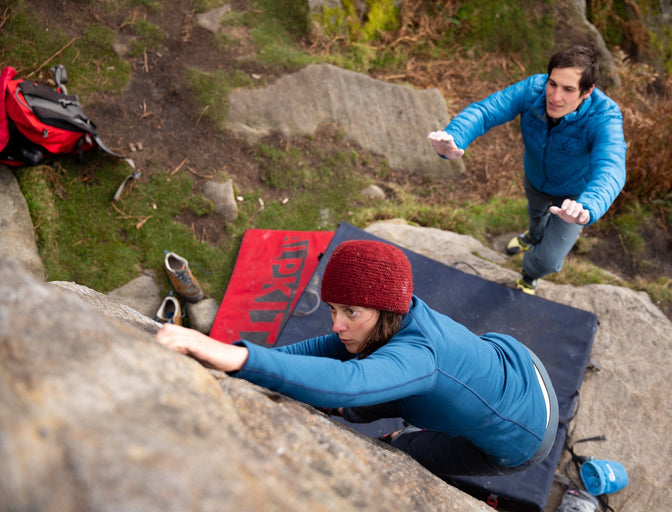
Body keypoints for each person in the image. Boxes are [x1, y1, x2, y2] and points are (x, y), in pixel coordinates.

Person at [156, 239, 558, 478]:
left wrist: (237, 358)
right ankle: (364, 412)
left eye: (351, 312)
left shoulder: (417, 356)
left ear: (384, 309)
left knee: (404, 447)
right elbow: (316, 351)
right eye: (333, 309)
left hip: (524, 435)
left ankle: (397, 436)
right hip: (516, 361)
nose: (337, 325)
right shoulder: (393, 317)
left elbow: (348, 382)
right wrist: (238, 359)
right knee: (371, 382)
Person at [429, 45, 627, 294]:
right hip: (535, 178)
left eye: (568, 89)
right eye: (552, 84)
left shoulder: (604, 116)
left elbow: (612, 167)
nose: (555, 97)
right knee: (536, 215)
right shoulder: (533, 89)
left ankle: (529, 272)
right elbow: (486, 111)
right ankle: (532, 237)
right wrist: (455, 136)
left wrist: (588, 206)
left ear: (587, 92)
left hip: (575, 200)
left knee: (549, 260)